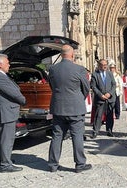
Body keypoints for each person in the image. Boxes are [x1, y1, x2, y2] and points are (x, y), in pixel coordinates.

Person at [48, 44, 92, 173]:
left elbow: (52, 86)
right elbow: (86, 88)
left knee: (57, 136)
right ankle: (80, 164)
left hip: (58, 107)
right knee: (77, 136)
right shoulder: (79, 69)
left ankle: (52, 164)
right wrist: (77, 99)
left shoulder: (53, 69)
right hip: (75, 108)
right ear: (72, 55)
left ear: (61, 55)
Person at [0, 54, 26, 173]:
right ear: (0, 64)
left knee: (2, 138)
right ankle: (5, 165)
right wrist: (23, 100)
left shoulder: (2, 75)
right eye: (7, 63)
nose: (9, 65)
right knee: (6, 139)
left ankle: (3, 160)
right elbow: (13, 92)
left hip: (5, 110)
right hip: (6, 111)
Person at [91, 59, 116, 138]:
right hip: (100, 98)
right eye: (102, 64)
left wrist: (110, 93)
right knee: (98, 115)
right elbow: (93, 87)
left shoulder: (110, 73)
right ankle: (95, 131)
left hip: (110, 98)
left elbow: (114, 85)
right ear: (99, 66)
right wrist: (100, 95)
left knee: (109, 115)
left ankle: (109, 130)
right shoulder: (95, 74)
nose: (105, 66)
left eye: (106, 64)